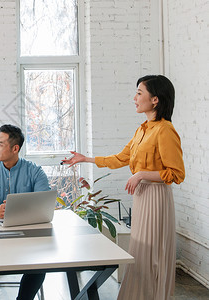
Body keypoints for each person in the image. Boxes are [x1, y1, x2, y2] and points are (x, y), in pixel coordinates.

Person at [61, 75, 185, 300]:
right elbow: (120, 158)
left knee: (152, 255)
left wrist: (141, 174)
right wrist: (86, 159)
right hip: (142, 196)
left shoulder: (165, 130)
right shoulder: (142, 130)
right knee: (140, 254)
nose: (134, 98)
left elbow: (176, 174)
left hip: (156, 198)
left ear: (155, 99)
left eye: (139, 93)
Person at [0, 124, 51, 300]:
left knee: (41, 261)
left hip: (27, 235)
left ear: (15, 148)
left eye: (0, 144)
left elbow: (44, 201)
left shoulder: (35, 171)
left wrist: (22, 210)